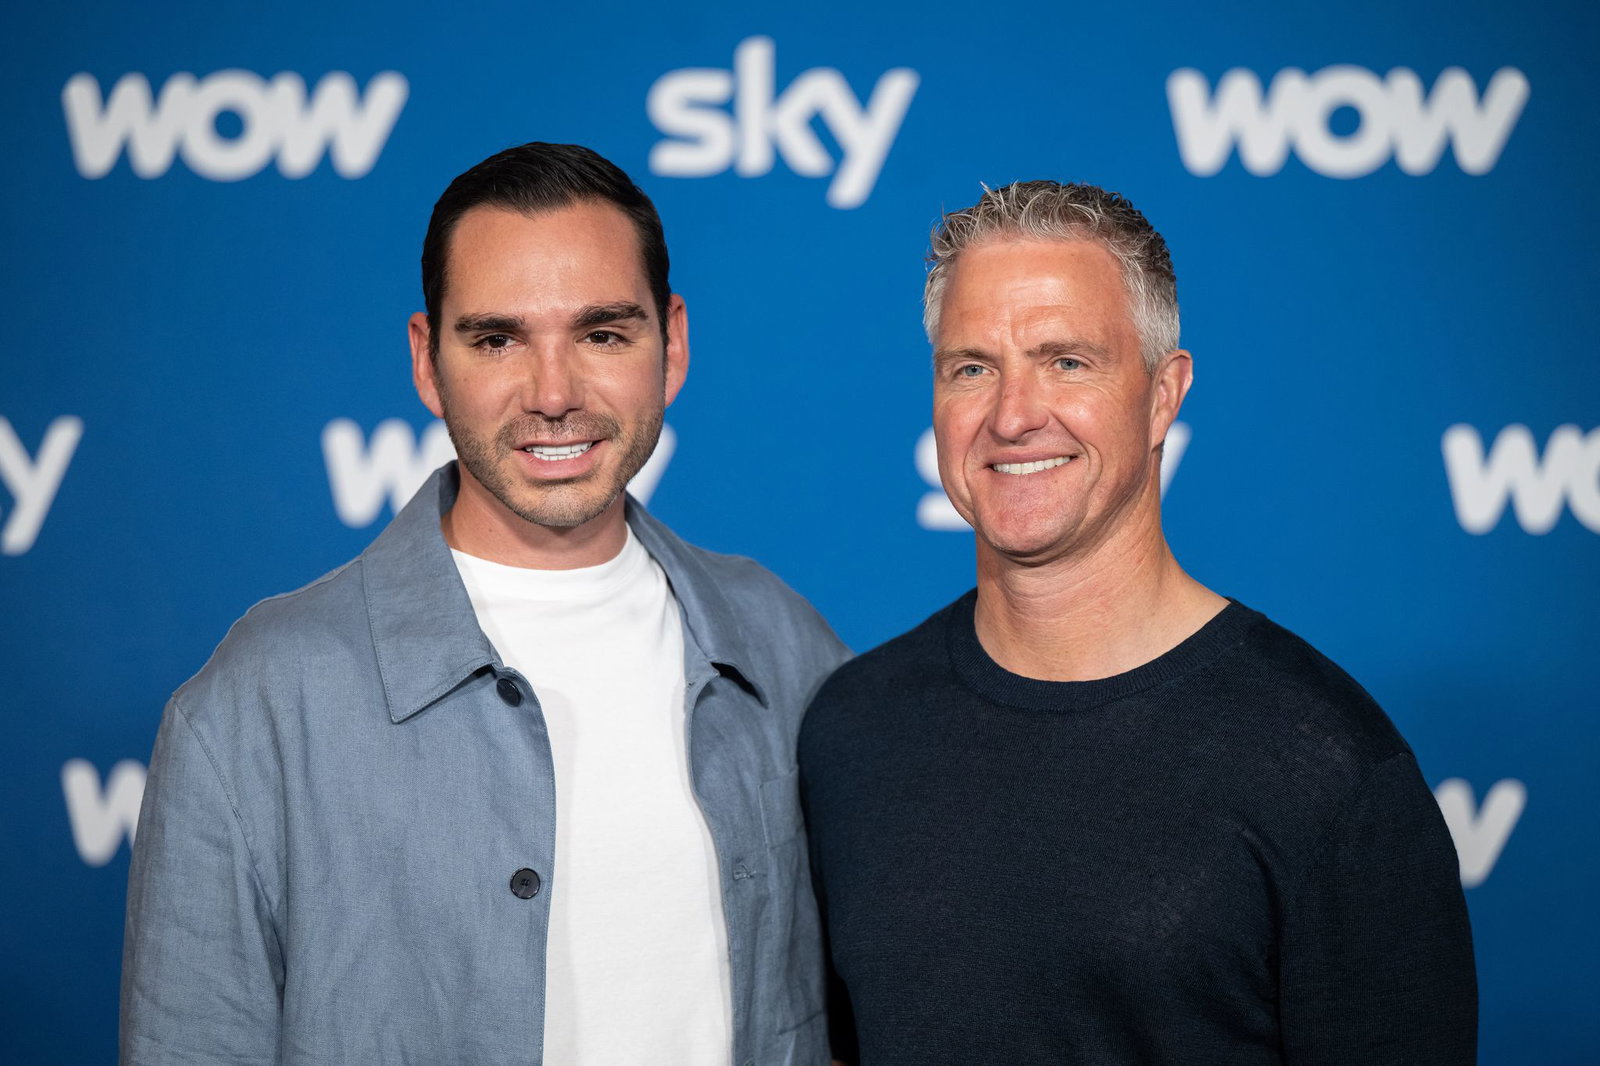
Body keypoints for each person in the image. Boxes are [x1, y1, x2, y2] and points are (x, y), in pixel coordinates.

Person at [121, 142, 849, 1066]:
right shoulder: (256, 705)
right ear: (428, 361)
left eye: (602, 334)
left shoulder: (787, 646)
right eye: (497, 339)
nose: (553, 394)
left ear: (673, 346)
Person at [798, 181, 1476, 1065]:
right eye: (972, 367)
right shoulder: (854, 727)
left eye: (1067, 361)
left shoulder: (1328, 767)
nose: (1012, 415)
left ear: (1164, 395)